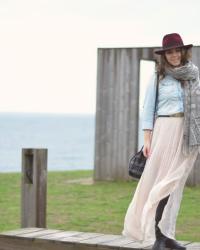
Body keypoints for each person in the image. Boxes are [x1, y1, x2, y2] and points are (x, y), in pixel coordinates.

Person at [122, 33, 200, 250]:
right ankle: (153, 233)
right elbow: (148, 109)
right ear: (164, 55)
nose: (174, 55)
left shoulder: (193, 75)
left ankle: (166, 234)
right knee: (160, 182)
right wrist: (147, 139)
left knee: (175, 184)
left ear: (183, 52)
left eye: (177, 50)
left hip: (186, 134)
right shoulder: (159, 76)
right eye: (170, 51)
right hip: (163, 131)